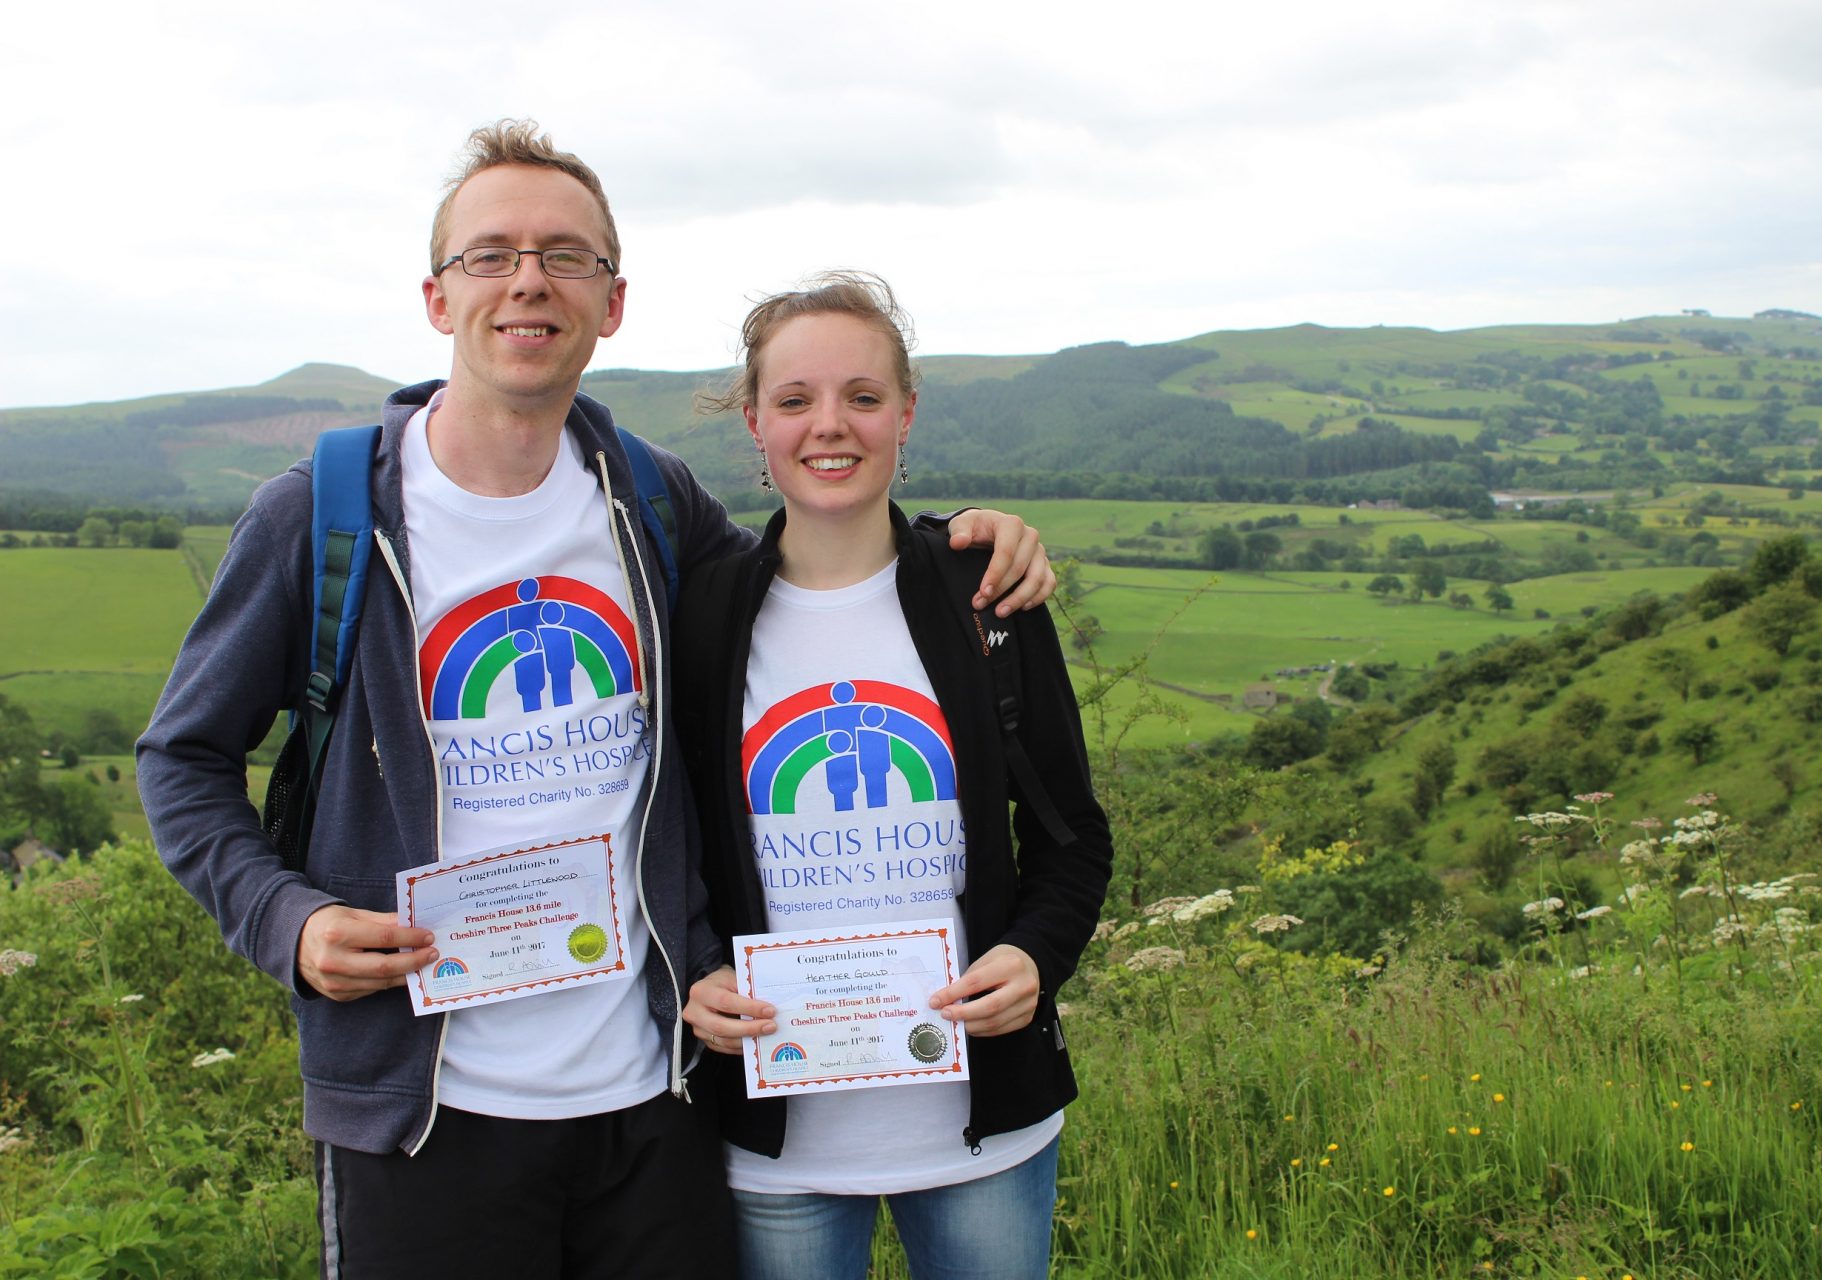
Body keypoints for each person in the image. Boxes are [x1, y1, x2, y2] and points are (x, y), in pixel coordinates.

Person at [136, 124, 1053, 1280]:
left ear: (611, 303)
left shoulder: (650, 499)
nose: (530, 280)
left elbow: (824, 580)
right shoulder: (317, 519)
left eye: (568, 256)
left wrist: (968, 543)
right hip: (429, 1109)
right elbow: (181, 758)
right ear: (436, 296)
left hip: (656, 1099)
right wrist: (288, 921)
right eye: (493, 255)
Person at [674, 272, 1113, 1279]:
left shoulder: (989, 595)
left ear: (905, 413)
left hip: (981, 1132)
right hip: (777, 1140)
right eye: (795, 399)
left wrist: (1037, 956)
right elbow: (671, 843)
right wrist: (696, 973)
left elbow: (1072, 836)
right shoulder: (699, 615)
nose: (830, 425)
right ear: (754, 420)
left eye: (863, 397)